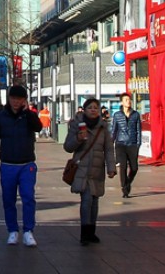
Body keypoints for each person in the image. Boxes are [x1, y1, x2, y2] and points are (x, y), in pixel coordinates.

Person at [0, 84, 42, 247]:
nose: (16, 102)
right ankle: (13, 231)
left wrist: (27, 112)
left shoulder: (29, 116)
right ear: (9, 99)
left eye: (19, 99)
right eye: (13, 98)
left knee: (28, 197)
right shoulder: (2, 117)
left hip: (27, 164)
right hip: (8, 164)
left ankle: (28, 231)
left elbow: (38, 127)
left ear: (24, 100)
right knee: (8, 200)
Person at [64, 98, 116, 246]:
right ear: (84, 110)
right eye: (90, 107)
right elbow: (68, 147)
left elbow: (108, 149)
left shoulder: (103, 127)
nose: (93, 110)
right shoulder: (77, 125)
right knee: (86, 200)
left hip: (97, 170)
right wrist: (78, 139)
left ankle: (92, 232)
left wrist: (111, 168)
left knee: (95, 202)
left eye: (96, 107)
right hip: (82, 169)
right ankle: (84, 233)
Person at [109, 93, 141, 198]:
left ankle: (128, 182)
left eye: (129, 99)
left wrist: (138, 144)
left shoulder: (136, 114)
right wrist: (110, 143)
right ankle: (124, 189)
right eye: (126, 100)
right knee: (122, 166)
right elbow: (113, 131)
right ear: (122, 102)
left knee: (134, 168)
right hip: (120, 144)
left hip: (132, 144)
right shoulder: (117, 115)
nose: (129, 101)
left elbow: (138, 131)